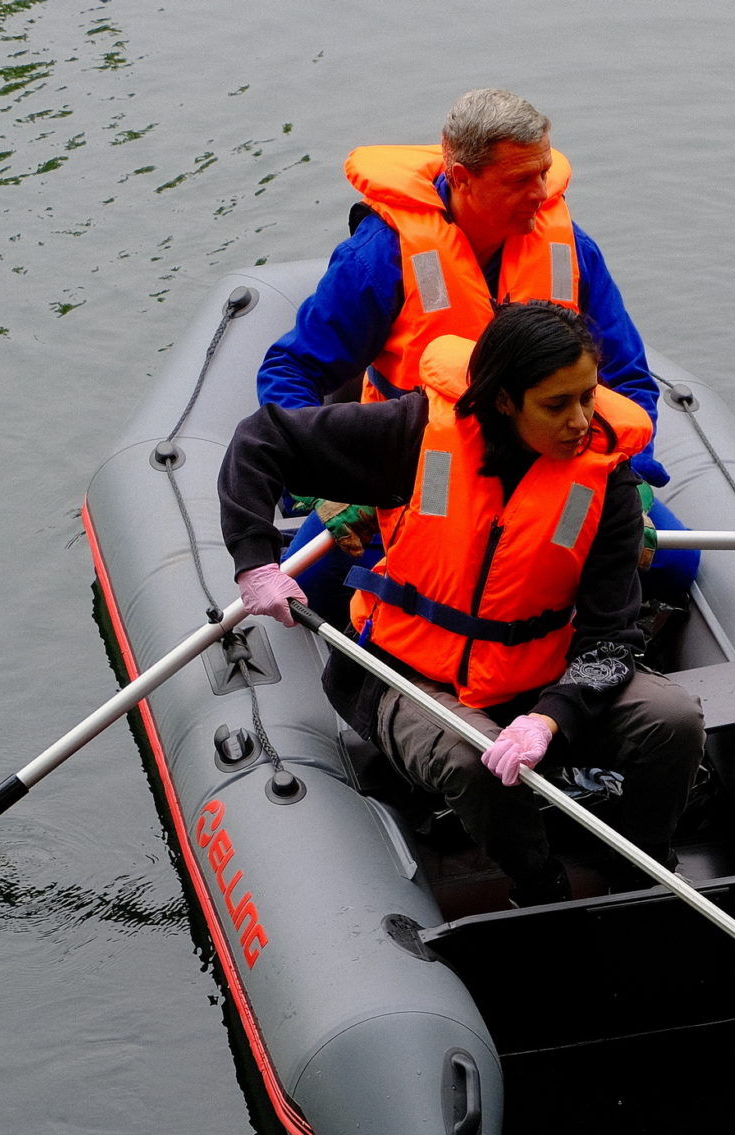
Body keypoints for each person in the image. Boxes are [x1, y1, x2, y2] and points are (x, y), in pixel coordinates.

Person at [220, 302, 706, 908]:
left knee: (674, 719)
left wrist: (551, 716)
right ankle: (539, 887)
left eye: (587, 397)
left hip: (538, 675)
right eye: (557, 405)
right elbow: (260, 440)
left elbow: (611, 638)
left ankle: (642, 867)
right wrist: (255, 559)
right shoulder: (412, 435)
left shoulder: (606, 479)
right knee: (475, 761)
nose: (581, 421)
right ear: (503, 400)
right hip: (403, 671)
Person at [259, 88, 692, 617]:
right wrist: (329, 481)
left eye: (544, 172)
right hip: (418, 472)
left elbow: (627, 375)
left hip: (551, 457)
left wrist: (632, 475)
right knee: (319, 589)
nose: (542, 193)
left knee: (676, 563)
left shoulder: (569, 247)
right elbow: (292, 368)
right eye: (520, 181)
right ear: (462, 177)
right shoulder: (380, 256)